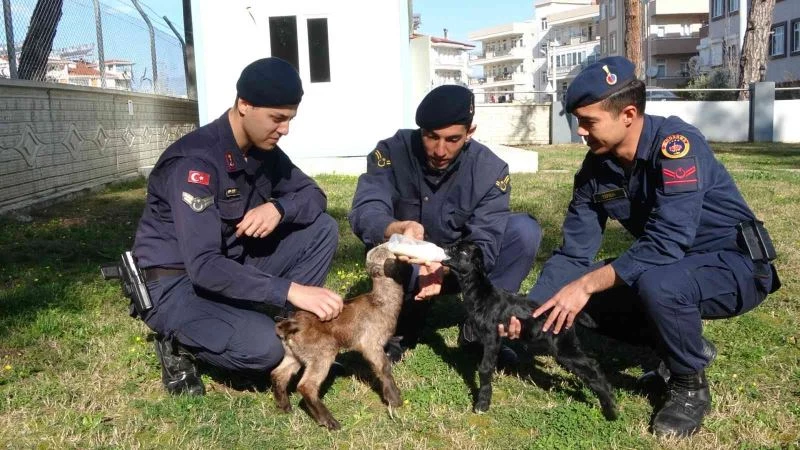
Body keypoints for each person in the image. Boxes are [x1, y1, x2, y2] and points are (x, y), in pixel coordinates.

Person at [500, 56, 781, 437]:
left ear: (628, 114)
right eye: (577, 121)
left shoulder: (677, 146)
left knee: (647, 284)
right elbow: (573, 253)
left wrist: (584, 285)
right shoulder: (596, 169)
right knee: (582, 292)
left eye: (588, 121)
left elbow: (668, 241)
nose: (580, 132)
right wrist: (532, 309)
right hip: (675, 266)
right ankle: (679, 345)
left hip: (737, 267)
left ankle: (688, 385)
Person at [132, 57, 343, 395]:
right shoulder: (195, 162)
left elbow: (314, 195)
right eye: (277, 118)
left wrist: (278, 208)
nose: (285, 129)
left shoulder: (262, 151)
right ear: (245, 105)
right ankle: (178, 344)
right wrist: (291, 289)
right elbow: (203, 266)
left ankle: (289, 330)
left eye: (289, 119)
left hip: (229, 266)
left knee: (322, 229)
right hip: (176, 285)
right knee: (267, 350)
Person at [349, 85, 542, 362]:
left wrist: (445, 266)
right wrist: (397, 231)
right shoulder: (392, 151)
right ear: (420, 131)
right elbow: (367, 209)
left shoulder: (490, 170)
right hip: (406, 259)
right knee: (398, 264)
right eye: (431, 137)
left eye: (453, 139)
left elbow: (485, 242)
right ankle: (396, 330)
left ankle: (479, 330)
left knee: (524, 231)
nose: (440, 150)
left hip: (457, 267)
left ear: (470, 133)